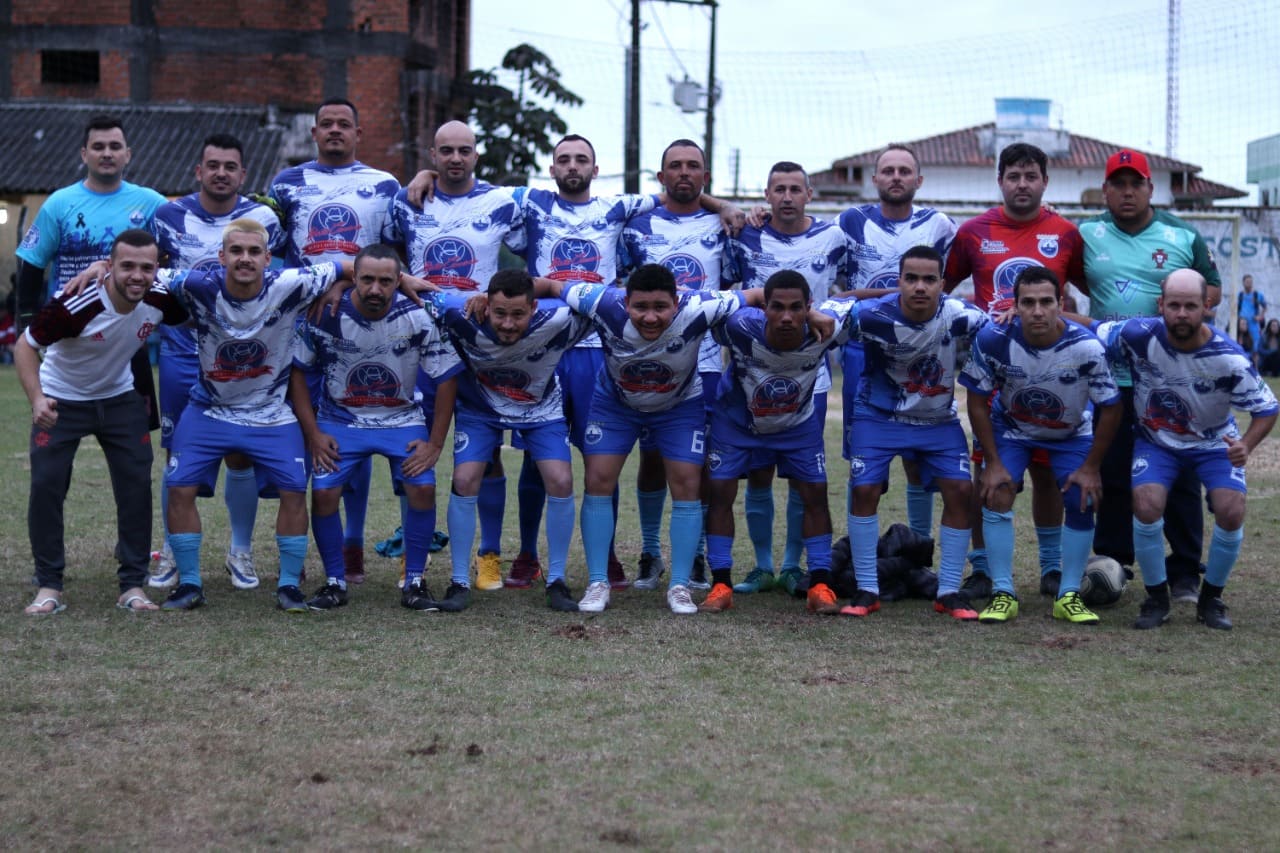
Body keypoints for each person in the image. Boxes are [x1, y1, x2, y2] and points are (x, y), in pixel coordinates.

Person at [535, 263, 765, 614]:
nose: (650, 317)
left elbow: (760, 294)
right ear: (625, 303)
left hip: (678, 405)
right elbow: (549, 286)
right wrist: (481, 301)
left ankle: (680, 586)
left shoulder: (701, 305)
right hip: (615, 404)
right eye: (640, 307)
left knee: (687, 483)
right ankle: (598, 582)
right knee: (597, 479)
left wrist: (813, 314)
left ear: (677, 302)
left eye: (661, 307)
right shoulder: (600, 301)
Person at [156, 218, 353, 612]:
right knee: (178, 487)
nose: (244, 259)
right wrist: (100, 268)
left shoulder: (290, 283)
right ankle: (190, 583)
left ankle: (288, 587)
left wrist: (348, 282)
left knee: (295, 491)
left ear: (268, 258)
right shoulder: (195, 284)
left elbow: (353, 264)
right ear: (221, 257)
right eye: (236, 251)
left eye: (253, 252)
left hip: (270, 412)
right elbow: (140, 270)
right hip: (209, 407)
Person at [383, 120, 525, 592]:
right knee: (412, 451)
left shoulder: (504, 202)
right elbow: (383, 256)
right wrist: (402, 279)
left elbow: (542, 249)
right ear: (433, 154)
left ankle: (488, 555)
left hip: (480, 347)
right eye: (446, 151)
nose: (456, 158)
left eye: (465, 150)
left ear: (477, 154)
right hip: (419, 344)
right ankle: (414, 555)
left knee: (486, 456)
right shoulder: (407, 202)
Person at [16, 229, 187, 615]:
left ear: (156, 269)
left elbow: (198, 304)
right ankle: (49, 586)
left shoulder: (160, 295)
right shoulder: (76, 302)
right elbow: (24, 346)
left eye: (146, 267)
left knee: (134, 489)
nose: (137, 276)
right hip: (62, 400)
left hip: (119, 399)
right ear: (109, 267)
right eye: (127, 266)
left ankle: (132, 586)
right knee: (46, 486)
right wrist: (37, 399)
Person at [944, 142, 1087, 600]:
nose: (1021, 184)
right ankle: (983, 570)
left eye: (1031, 176)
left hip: (1054, 373)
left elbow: (1087, 292)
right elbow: (939, 288)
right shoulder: (972, 232)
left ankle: (1050, 569)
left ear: (1045, 181)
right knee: (988, 474)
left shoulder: (1065, 232)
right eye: (1013, 176)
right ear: (1000, 180)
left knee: (1048, 476)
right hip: (996, 375)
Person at [1095, 269, 1276, 630]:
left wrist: (1246, 444)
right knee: (1146, 503)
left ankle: (1211, 599)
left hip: (1212, 444)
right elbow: (1089, 328)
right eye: (1174, 305)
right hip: (1156, 441)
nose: (1181, 314)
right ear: (1160, 305)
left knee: (1231, 509)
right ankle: (1157, 597)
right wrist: (1032, 317)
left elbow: (1267, 408)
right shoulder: (1137, 334)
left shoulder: (1229, 358)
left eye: (1190, 306)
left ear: (1206, 306)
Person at [1080, 148, 1221, 603]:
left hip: (1170, 378)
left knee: (1180, 471)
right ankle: (1114, 564)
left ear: (1149, 189)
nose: (1126, 191)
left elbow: (1211, 289)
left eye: (1135, 183)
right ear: (1105, 190)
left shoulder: (1181, 234)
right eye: (1117, 184)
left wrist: (1170, 315)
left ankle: (1183, 572)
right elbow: (1068, 279)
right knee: (1115, 471)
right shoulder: (1087, 234)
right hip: (1112, 377)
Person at [269, 98, 400, 585]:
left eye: (345, 124)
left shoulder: (384, 185)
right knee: (300, 433)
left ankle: (352, 544)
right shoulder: (286, 183)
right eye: (327, 124)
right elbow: (274, 252)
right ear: (314, 132)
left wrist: (347, 281)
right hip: (298, 322)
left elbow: (393, 253)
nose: (336, 131)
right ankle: (298, 544)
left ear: (359, 133)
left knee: (354, 425)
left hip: (360, 322)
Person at [149, 133, 285, 591]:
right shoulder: (168, 215)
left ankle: (240, 551)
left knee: (241, 450)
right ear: (198, 171)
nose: (221, 172)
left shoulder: (264, 218)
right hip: (182, 351)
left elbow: (280, 272)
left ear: (243, 174)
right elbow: (147, 268)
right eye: (213, 165)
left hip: (244, 353)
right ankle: (172, 547)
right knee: (175, 452)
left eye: (230, 165)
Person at [290, 244, 460, 611]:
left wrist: (434, 443)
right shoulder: (325, 312)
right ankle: (334, 581)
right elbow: (298, 373)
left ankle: (415, 580)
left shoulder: (418, 315)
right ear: (353, 277)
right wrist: (313, 434)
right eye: (366, 279)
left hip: (401, 418)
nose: (375, 289)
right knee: (322, 494)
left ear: (399, 281)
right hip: (340, 420)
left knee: (422, 489)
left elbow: (446, 379)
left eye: (385, 281)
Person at [426, 269, 595, 612]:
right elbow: (404, 289)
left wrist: (548, 284)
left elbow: (610, 301)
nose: (507, 324)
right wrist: (337, 287)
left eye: (518, 314)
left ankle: (557, 581)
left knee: (561, 479)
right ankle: (458, 581)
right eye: (499, 313)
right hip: (480, 410)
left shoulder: (560, 319)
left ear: (534, 309)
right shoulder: (460, 312)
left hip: (540, 410)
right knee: (464, 478)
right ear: (486, 305)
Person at [959, 266, 1121, 624]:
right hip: (1013, 428)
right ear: (1014, 306)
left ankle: (1068, 595)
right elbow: (975, 400)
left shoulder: (1086, 347)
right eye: (1027, 302)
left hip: (1070, 433)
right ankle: (1003, 592)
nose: (1037, 310)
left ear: (1060, 304)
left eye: (1046, 302)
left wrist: (1091, 467)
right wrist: (994, 462)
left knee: (1082, 495)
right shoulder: (994, 338)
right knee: (997, 489)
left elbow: (1111, 408)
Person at [842, 245, 987, 619]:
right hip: (878, 417)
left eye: (928, 279)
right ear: (899, 282)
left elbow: (1001, 331)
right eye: (911, 279)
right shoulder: (872, 315)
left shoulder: (961, 316)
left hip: (936, 420)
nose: (919, 287)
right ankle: (867, 589)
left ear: (942, 284)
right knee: (864, 489)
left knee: (960, 490)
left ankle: (950, 591)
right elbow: (829, 311)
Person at [725, 161, 849, 594]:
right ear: (767, 193)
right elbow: (730, 291)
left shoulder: (834, 237)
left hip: (808, 374)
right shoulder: (746, 234)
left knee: (803, 476)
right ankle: (762, 566)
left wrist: (823, 314)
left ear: (809, 194)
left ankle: (795, 565)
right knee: (757, 475)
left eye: (796, 188)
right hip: (754, 371)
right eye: (779, 189)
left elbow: (848, 289)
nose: (787, 197)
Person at [619, 138, 733, 592]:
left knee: (697, 462)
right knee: (651, 457)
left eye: (693, 166)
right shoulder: (636, 228)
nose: (684, 173)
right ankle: (650, 552)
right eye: (675, 166)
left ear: (705, 177)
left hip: (705, 362)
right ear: (660, 175)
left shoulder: (727, 227)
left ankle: (698, 552)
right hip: (649, 360)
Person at [702, 269, 849, 614]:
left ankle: (820, 585)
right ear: (764, 308)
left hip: (797, 425)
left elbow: (858, 302)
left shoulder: (829, 326)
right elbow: (704, 306)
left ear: (809, 306)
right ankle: (720, 583)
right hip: (737, 424)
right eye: (777, 307)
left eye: (796, 308)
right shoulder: (740, 326)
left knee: (815, 493)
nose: (786, 317)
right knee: (720, 493)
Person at [836, 146, 957, 554]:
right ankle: (859, 555)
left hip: (922, 349)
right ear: (875, 179)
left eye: (905, 171)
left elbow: (946, 287)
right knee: (864, 463)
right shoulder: (850, 222)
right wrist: (891, 297)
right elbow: (839, 290)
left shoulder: (940, 225)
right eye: (887, 170)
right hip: (862, 351)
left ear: (919, 180)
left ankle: (919, 550)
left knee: (919, 457)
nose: (896, 177)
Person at [1237, 274, 1266, 359]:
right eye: (1247, 282)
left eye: (1250, 282)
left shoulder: (1257, 295)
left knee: (1255, 347)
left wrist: (1260, 316)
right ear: (1243, 283)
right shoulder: (1240, 295)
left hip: (1253, 325)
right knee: (1241, 345)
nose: (1249, 284)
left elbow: (1265, 307)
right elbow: (1236, 308)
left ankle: (1255, 369)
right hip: (1242, 325)